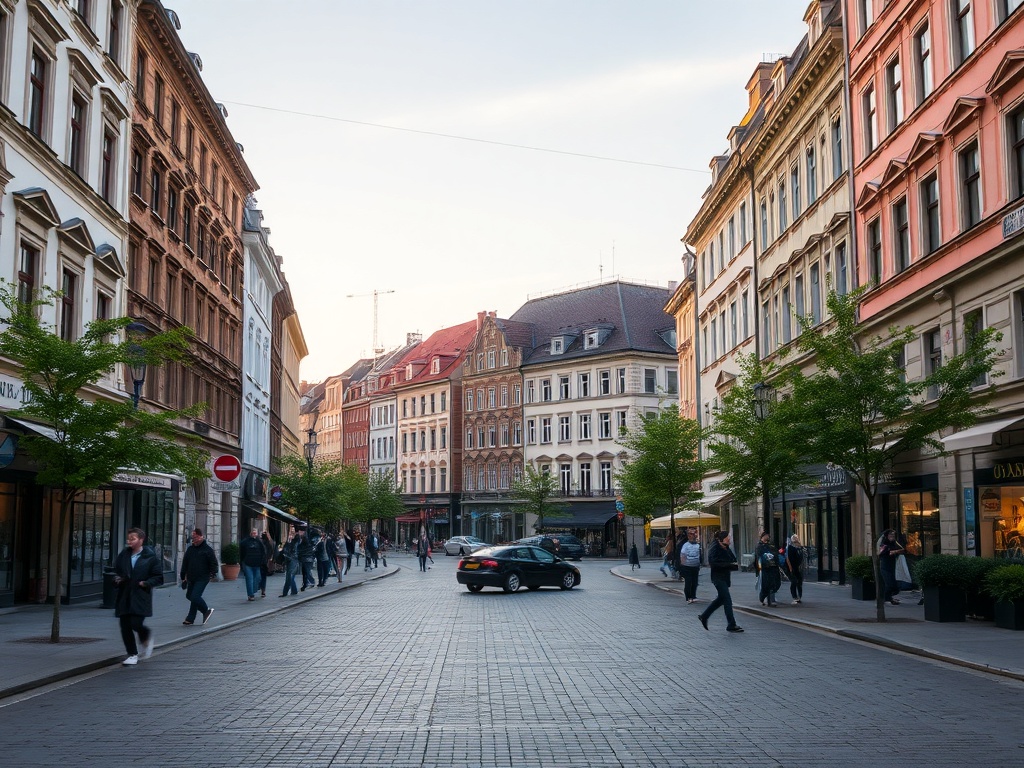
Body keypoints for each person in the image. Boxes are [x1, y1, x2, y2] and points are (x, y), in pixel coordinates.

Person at [113, 527, 164, 665]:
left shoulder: (150, 557)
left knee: (135, 623)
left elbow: (158, 577)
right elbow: (116, 570)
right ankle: (132, 654)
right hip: (125, 595)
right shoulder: (124, 555)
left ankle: (145, 635)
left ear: (141, 540)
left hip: (140, 595)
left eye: (133, 539)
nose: (130, 541)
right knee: (125, 625)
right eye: (129, 539)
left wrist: (146, 583)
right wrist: (117, 579)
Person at [698, 531, 743, 633]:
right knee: (727, 600)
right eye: (728, 538)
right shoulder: (714, 548)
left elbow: (733, 559)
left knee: (721, 599)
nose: (729, 540)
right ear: (721, 539)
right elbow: (713, 563)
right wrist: (729, 565)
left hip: (725, 577)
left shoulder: (725, 547)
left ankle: (704, 616)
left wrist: (732, 564)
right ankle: (731, 624)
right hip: (717, 577)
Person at [180, 528, 218, 625]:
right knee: (189, 596)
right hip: (192, 577)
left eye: (196, 537)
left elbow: (214, 563)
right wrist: (183, 576)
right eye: (193, 537)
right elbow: (185, 563)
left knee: (195, 596)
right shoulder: (190, 549)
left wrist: (213, 573)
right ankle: (194, 617)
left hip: (203, 577)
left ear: (201, 537)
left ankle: (203, 611)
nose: (194, 539)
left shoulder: (207, 550)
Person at [879, 529, 905, 605]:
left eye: (893, 535)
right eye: (890, 535)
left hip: (892, 566)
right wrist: (894, 551)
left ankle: (888, 597)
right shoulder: (884, 544)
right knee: (889, 584)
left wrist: (896, 551)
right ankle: (885, 598)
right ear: (886, 536)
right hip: (885, 567)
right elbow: (882, 553)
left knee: (894, 585)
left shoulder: (894, 544)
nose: (892, 537)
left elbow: (902, 550)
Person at [754, 532, 781, 607]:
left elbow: (776, 552)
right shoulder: (759, 546)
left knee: (774, 583)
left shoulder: (770, 545)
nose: (767, 537)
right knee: (765, 584)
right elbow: (758, 556)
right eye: (766, 536)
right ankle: (765, 599)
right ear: (762, 537)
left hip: (773, 566)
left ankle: (770, 600)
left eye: (768, 536)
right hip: (764, 568)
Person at [239, 528, 265, 601]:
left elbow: (263, 551)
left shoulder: (259, 542)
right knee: (249, 579)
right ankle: (251, 595)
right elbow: (241, 549)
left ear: (257, 534)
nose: (254, 534)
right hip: (248, 563)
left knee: (257, 578)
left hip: (257, 563)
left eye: (255, 533)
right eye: (253, 532)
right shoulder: (245, 541)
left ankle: (253, 590)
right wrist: (242, 560)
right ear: (250, 533)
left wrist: (262, 561)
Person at [679, 529, 702, 603]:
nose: (693, 536)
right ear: (689, 536)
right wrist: (682, 566)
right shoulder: (686, 545)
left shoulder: (698, 545)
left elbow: (700, 555)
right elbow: (682, 555)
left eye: (694, 534)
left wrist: (699, 563)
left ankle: (693, 595)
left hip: (695, 566)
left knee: (695, 582)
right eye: (691, 535)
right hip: (687, 566)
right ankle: (688, 597)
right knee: (688, 582)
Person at [785, 534, 805, 604]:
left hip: (798, 567)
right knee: (794, 581)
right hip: (792, 567)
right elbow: (788, 559)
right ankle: (794, 596)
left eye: (797, 538)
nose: (796, 539)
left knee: (799, 581)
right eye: (794, 538)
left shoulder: (800, 547)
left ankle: (799, 596)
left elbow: (801, 558)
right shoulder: (790, 547)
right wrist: (790, 568)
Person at [279, 531, 299, 597]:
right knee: (290, 577)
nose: (290, 536)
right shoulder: (288, 543)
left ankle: (285, 593)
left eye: (292, 534)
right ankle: (294, 590)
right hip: (288, 560)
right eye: (290, 534)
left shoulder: (295, 542)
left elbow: (294, 553)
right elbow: (284, 551)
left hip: (293, 561)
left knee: (289, 577)